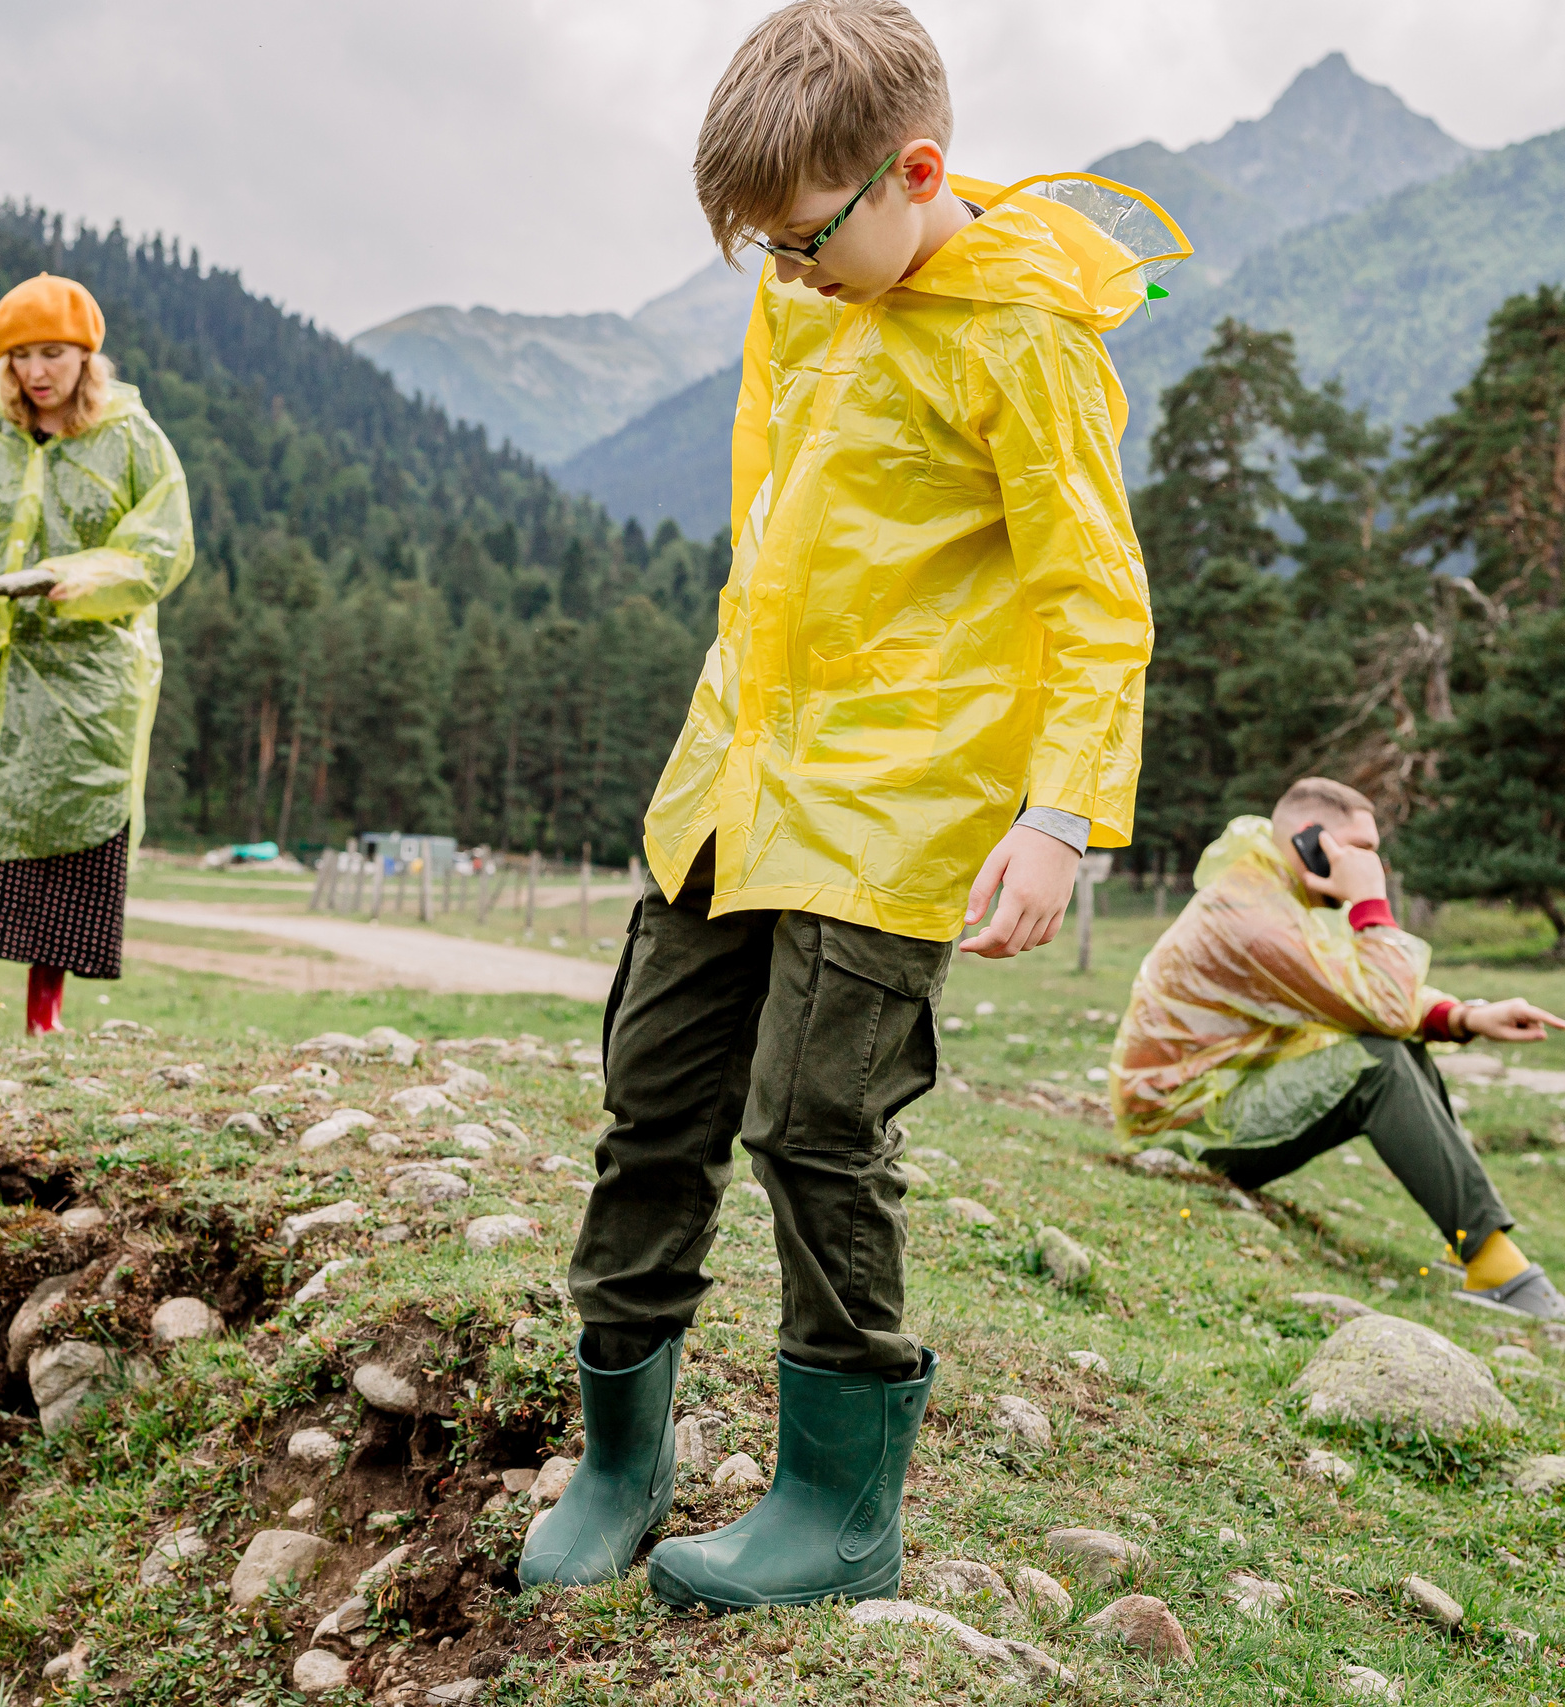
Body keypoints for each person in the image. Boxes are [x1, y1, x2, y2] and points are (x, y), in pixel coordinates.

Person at [520, 0, 1173, 1610]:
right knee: (650, 1103)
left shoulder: (1028, 339)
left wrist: (1061, 813)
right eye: (765, 252)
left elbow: (1097, 598)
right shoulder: (804, 295)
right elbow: (771, 522)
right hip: (734, 784)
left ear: (916, 170)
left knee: (816, 1125)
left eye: (807, 240)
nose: (789, 273)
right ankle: (620, 1462)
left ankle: (835, 1502)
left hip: (899, 808)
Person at [1113, 777, 1565, 1316]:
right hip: (1180, 1128)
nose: (1376, 866)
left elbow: (1354, 993)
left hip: (1220, 1103)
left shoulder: (1275, 891)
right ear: (1312, 843)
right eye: (1362, 850)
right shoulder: (1250, 913)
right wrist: (1370, 905)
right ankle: (1496, 1267)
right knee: (1378, 1063)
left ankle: (1473, 1244)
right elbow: (1384, 1007)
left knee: (1391, 1050)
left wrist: (1466, 1016)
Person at [0, 273, 194, 1039]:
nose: (37, 373)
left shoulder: (133, 441)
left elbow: (160, 548)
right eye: (22, 357)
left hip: (85, 679)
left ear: (87, 358)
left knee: (68, 833)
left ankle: (44, 1008)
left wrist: (80, 577)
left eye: (53, 354)